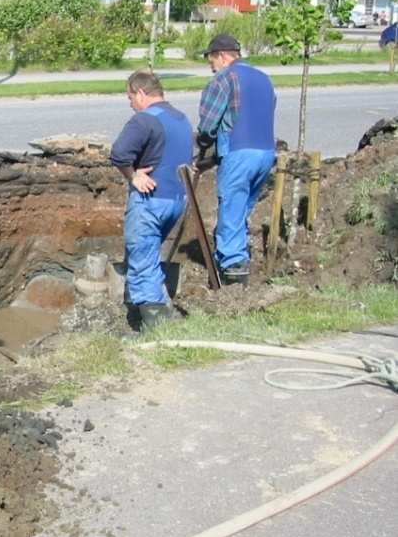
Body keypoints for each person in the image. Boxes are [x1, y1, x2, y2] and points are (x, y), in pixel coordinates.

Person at [110, 70, 191, 329]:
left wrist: (133, 176)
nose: (131, 104)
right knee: (151, 254)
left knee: (142, 261)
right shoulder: (181, 118)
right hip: (176, 199)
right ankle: (150, 310)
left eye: (130, 98)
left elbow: (119, 154)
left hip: (151, 200)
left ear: (141, 92)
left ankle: (155, 330)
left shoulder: (144, 120)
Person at [197, 34, 276, 285]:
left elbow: (208, 125)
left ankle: (233, 271)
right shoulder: (264, 79)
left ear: (222, 56)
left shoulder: (223, 79)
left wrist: (202, 146)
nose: (211, 65)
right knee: (242, 209)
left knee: (231, 208)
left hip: (239, 152)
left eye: (211, 59)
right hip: (265, 153)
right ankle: (238, 256)